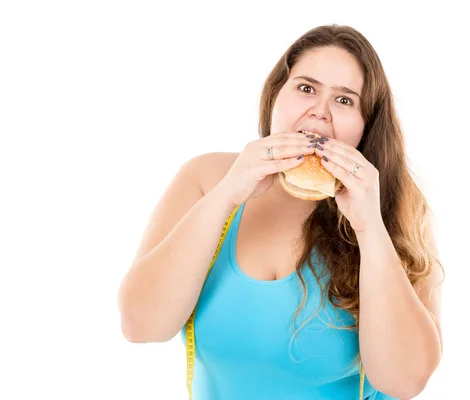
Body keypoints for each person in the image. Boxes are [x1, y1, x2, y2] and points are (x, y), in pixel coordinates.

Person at [117, 24, 444, 400]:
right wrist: (227, 195)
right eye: (306, 88)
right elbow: (140, 325)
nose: (319, 113)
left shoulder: (391, 203)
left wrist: (369, 227)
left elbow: (405, 382)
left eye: (344, 100)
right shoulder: (208, 179)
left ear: (366, 127)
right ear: (275, 96)